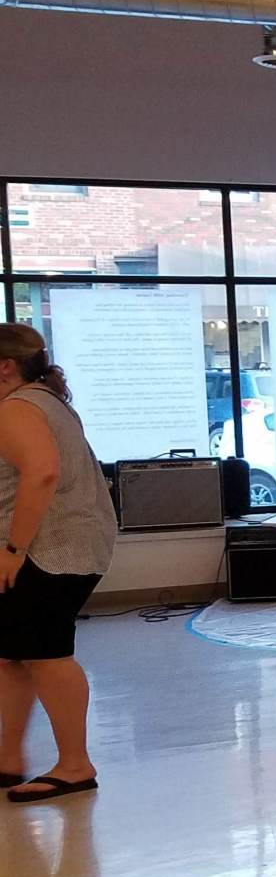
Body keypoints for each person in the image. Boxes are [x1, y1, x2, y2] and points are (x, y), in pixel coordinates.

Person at [0, 324, 116, 803]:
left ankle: (74, 765)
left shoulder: (17, 407)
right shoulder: (46, 400)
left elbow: (43, 472)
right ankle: (8, 759)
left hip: (48, 550)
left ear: (5, 367)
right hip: (64, 544)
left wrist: (13, 549)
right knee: (13, 654)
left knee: (47, 655)